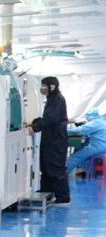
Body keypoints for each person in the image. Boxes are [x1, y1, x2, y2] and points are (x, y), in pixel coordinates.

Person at [30, 76, 70, 205]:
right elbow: (48, 117)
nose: (42, 88)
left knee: (56, 169)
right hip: (50, 139)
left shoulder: (57, 99)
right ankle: (46, 194)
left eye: (44, 85)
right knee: (47, 168)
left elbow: (51, 119)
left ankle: (63, 198)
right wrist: (34, 123)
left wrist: (35, 127)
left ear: (51, 86)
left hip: (56, 140)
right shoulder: (52, 98)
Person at [68, 109, 106, 178]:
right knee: (83, 158)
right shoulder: (102, 121)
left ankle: (61, 175)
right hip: (102, 146)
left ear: (91, 116)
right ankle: (90, 171)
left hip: (98, 147)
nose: (86, 118)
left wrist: (63, 130)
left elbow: (80, 130)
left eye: (87, 116)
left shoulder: (95, 123)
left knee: (75, 157)